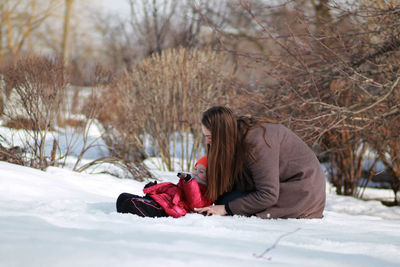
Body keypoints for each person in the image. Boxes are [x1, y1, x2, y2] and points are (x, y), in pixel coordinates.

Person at [195, 106, 326, 219]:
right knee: (223, 199)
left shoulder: (257, 142)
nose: (207, 142)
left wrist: (225, 209)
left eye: (210, 137)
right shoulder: (236, 134)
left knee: (228, 203)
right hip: (279, 187)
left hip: (302, 193)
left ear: (223, 134)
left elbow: (268, 194)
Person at [116, 156, 212, 218]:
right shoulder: (186, 183)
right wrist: (154, 188)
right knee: (123, 197)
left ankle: (140, 207)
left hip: (165, 209)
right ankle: (144, 202)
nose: (195, 173)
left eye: (201, 171)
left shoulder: (207, 193)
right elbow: (171, 189)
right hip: (161, 201)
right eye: (195, 169)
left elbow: (195, 203)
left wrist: (190, 182)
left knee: (130, 204)